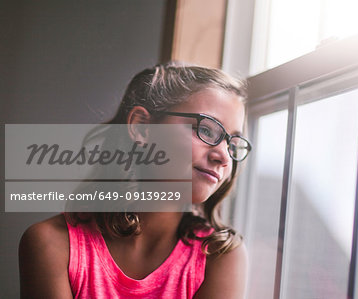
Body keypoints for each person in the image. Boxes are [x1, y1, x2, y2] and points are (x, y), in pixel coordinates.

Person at [18, 62, 252, 298]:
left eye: (232, 144)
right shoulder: (52, 245)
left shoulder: (219, 257)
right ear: (141, 127)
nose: (223, 156)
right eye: (207, 130)